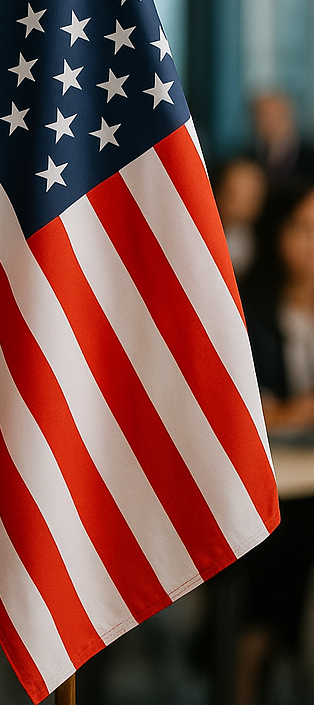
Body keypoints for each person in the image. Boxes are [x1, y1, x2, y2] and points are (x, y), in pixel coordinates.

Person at [234, 181, 314, 705]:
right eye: (302, 229)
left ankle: (260, 649)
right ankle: (249, 662)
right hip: (274, 479)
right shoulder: (255, 307)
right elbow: (258, 414)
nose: (311, 244)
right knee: (286, 536)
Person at [213, 156, 267, 280]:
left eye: (253, 196)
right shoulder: (201, 236)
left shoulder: (264, 248)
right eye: (234, 194)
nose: (243, 202)